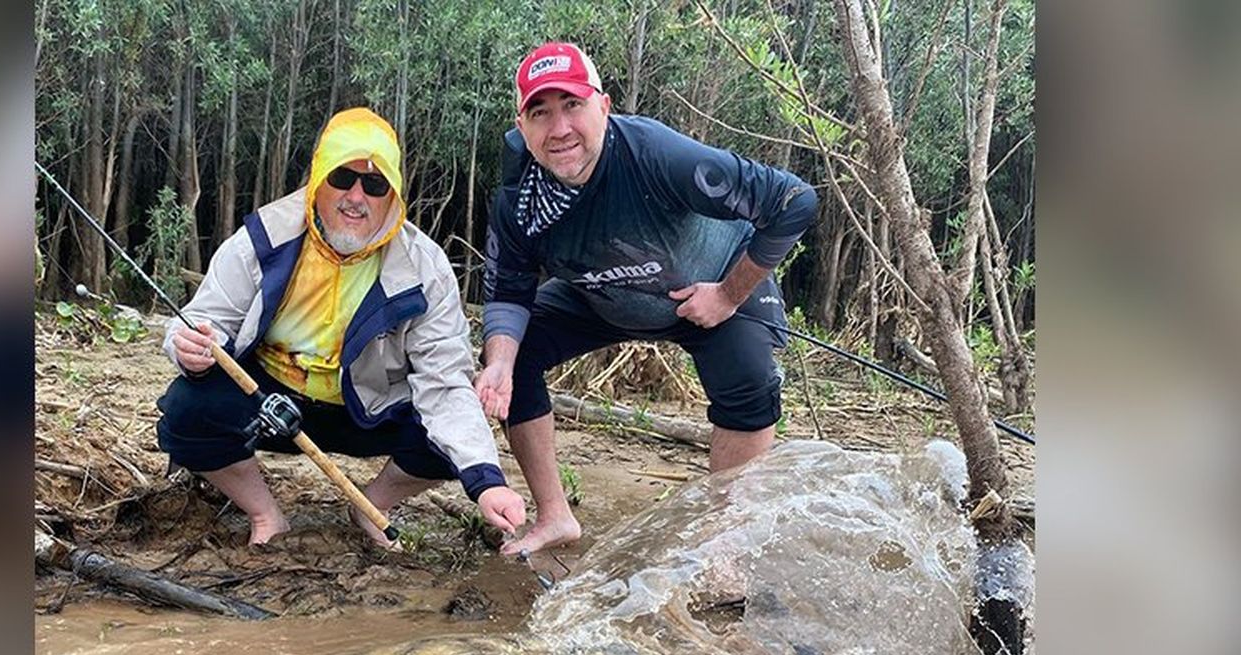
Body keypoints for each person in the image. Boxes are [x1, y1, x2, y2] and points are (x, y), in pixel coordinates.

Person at [477, 42, 818, 555]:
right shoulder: (518, 198)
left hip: (708, 293)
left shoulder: (657, 155)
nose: (560, 128)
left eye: (573, 105)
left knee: (749, 381)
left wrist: (728, 294)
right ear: (522, 126)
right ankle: (555, 516)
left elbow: (793, 201)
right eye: (540, 113)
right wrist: (499, 363)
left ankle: (725, 543)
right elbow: (509, 289)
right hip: (598, 295)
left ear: (604, 107)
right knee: (514, 352)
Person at [157, 107, 526, 547]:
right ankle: (265, 513)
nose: (356, 196)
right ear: (317, 180)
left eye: (374, 184)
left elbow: (445, 383)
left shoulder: (426, 268)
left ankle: (372, 506)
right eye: (341, 178)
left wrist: (487, 482)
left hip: (368, 410)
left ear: (392, 194)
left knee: (448, 440)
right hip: (268, 402)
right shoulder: (263, 236)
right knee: (186, 411)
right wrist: (191, 350)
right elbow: (205, 321)